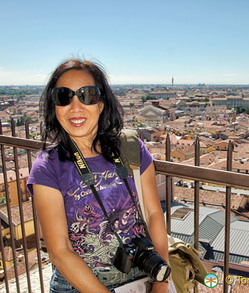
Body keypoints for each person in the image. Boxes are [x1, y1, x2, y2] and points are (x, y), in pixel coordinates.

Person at [27, 59, 170, 293]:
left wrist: (161, 280)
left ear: (102, 104)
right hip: (79, 284)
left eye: (88, 95)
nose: (75, 107)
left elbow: (154, 214)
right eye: (64, 96)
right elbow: (59, 250)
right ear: (54, 106)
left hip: (142, 275)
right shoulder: (47, 167)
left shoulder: (131, 148)